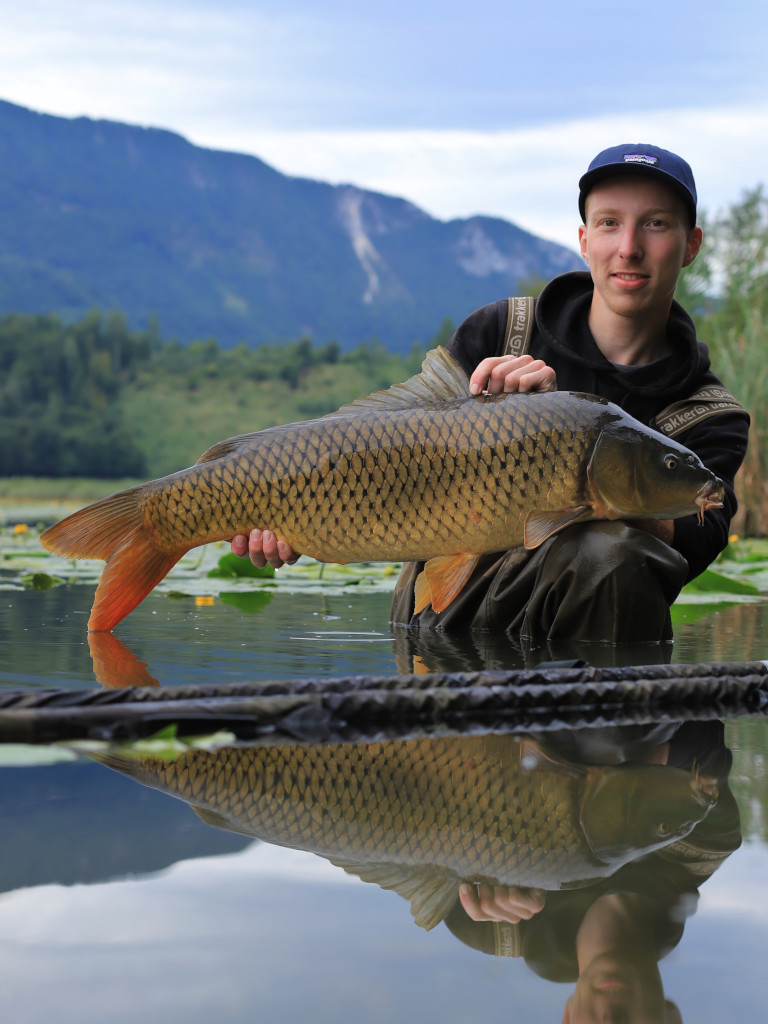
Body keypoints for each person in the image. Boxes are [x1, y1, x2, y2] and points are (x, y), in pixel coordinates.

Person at [231, 144, 750, 643]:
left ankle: (596, 727)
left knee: (611, 550)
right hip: (446, 609)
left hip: (595, 623)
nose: (629, 247)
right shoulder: (503, 329)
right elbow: (390, 448)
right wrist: (295, 511)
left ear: (691, 245)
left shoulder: (711, 415)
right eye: (609, 223)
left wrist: (571, 460)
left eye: (655, 224)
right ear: (585, 239)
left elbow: (699, 539)